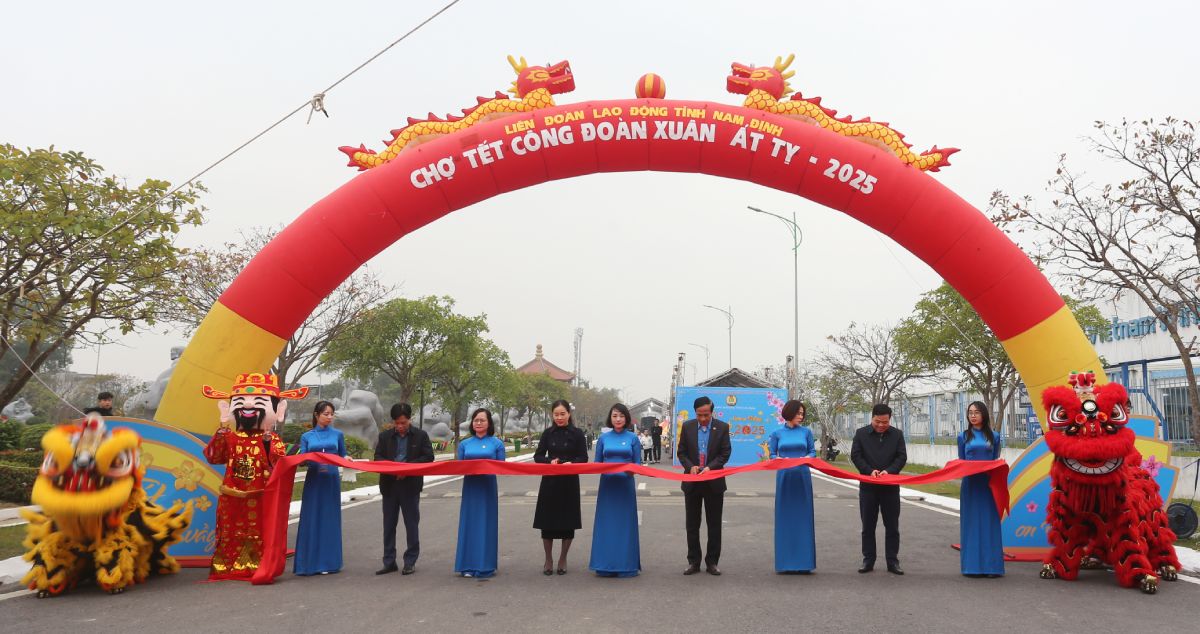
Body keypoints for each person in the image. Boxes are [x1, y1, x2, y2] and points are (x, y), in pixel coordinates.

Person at [202, 372, 306, 581]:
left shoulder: (271, 438)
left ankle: (257, 564)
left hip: (260, 496)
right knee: (230, 532)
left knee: (259, 532)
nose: (248, 406)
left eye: (258, 401)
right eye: (240, 401)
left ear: (278, 411)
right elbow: (214, 457)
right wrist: (222, 428)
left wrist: (267, 443)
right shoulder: (229, 437)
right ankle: (228, 566)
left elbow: (277, 462)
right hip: (232, 497)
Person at [374, 403, 435, 576]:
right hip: (390, 486)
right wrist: (393, 469)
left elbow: (428, 457)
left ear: (410, 419)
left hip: (410, 486)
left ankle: (410, 561)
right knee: (389, 525)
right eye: (397, 423)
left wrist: (407, 469)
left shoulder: (420, 436)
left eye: (403, 423)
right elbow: (378, 457)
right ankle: (389, 561)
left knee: (411, 525)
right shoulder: (385, 437)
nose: (400, 427)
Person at [677, 395, 732, 575]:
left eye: (706, 415)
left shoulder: (722, 427)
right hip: (692, 482)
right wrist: (689, 466)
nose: (703, 419)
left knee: (714, 524)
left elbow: (725, 453)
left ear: (711, 412)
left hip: (713, 482)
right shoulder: (687, 426)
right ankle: (694, 561)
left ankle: (712, 562)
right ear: (695, 413)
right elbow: (681, 452)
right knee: (692, 524)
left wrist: (710, 467)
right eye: (699, 415)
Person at [532, 399, 589, 575]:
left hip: (569, 482)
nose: (559, 417)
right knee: (547, 523)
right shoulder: (548, 433)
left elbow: (584, 458)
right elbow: (538, 456)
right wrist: (550, 461)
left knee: (567, 522)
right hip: (550, 482)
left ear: (569, 414)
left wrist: (572, 463)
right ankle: (548, 559)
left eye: (562, 414)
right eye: (556, 414)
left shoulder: (578, 434)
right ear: (552, 415)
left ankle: (563, 558)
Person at [850, 403, 907, 575]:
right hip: (868, 487)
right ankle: (868, 560)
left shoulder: (897, 434)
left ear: (889, 419)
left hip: (890, 487)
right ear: (872, 417)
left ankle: (892, 561)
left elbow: (901, 456)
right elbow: (856, 455)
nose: (881, 425)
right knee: (868, 526)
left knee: (892, 527)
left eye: (885, 422)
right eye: (877, 422)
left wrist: (889, 471)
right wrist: (869, 471)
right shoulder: (861, 434)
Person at [294, 400, 346, 576]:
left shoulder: (338, 435)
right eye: (326, 414)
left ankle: (329, 562)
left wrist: (349, 460)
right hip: (314, 479)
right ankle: (308, 563)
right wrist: (310, 458)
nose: (329, 417)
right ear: (317, 415)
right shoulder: (307, 436)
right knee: (312, 517)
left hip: (331, 479)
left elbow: (343, 455)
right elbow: (302, 459)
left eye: (332, 414)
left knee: (329, 518)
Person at [589, 403, 642, 577]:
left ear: (626, 418)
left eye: (621, 416)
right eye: (614, 416)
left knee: (624, 525)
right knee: (607, 525)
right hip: (607, 487)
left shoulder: (633, 438)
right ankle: (604, 565)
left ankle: (626, 565)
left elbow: (638, 465)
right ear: (610, 418)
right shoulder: (604, 439)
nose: (618, 419)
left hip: (625, 487)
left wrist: (630, 471)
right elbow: (597, 464)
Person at [455, 407, 506, 578]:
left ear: (489, 423)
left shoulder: (497, 443)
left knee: (486, 524)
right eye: (475, 420)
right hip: (471, 487)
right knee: (469, 523)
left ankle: (485, 565)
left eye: (482, 420)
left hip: (487, 487)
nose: (478, 423)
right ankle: (466, 565)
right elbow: (458, 466)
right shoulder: (465, 444)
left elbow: (502, 467)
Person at [768, 400, 817, 574]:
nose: (801, 416)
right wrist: (781, 460)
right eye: (798, 413)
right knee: (785, 518)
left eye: (803, 413)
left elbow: (812, 452)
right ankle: (785, 562)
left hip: (802, 476)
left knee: (803, 517)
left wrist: (803, 459)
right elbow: (772, 454)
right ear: (789, 413)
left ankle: (804, 563)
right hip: (785, 476)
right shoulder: (777, 433)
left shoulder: (806, 432)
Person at [958, 401, 1005, 577]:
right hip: (970, 485)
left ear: (984, 414)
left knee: (989, 524)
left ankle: (992, 567)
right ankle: (971, 567)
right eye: (970, 412)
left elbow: (994, 459)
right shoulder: (963, 436)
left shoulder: (995, 436)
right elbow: (961, 461)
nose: (973, 415)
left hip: (988, 485)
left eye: (976, 412)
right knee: (971, 524)